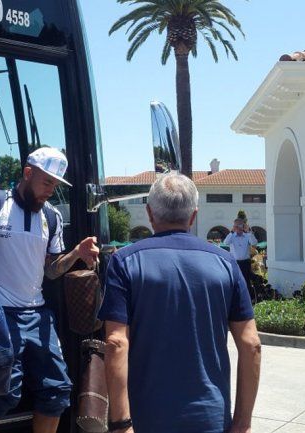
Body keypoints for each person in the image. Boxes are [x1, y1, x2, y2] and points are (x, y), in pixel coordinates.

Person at [99, 174, 261, 433]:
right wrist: (242, 423)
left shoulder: (124, 262)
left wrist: (121, 424)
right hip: (210, 419)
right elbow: (251, 344)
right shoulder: (225, 263)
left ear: (150, 213)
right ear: (193, 216)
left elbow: (116, 342)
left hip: (146, 420)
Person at [0, 146, 99, 433]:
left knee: (57, 391)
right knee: (4, 393)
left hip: (38, 315)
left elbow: (51, 269)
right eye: (46, 182)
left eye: (55, 185)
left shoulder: (52, 217)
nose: (50, 191)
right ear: (28, 173)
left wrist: (77, 252)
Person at [224, 218, 258, 302]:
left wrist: (249, 231)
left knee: (246, 281)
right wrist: (232, 231)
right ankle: (234, 300)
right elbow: (225, 242)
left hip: (245, 262)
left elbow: (254, 243)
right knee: (234, 281)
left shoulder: (247, 236)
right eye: (236, 225)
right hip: (234, 262)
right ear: (234, 226)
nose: (238, 227)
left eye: (240, 225)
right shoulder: (232, 236)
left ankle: (248, 300)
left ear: (243, 225)